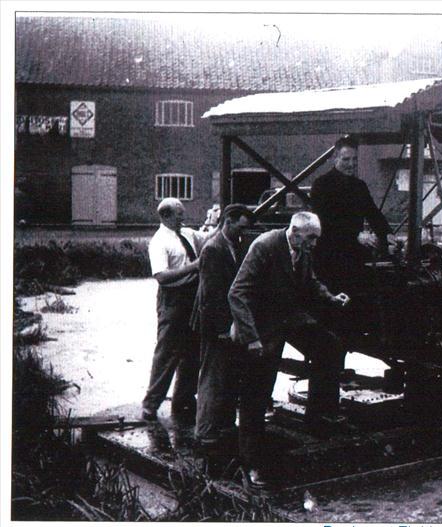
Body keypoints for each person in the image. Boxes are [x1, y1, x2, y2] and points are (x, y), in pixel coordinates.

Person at [228, 211, 350, 485]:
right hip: (262, 322)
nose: (314, 244)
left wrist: (331, 298)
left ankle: (318, 421)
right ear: (294, 232)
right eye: (311, 238)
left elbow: (310, 282)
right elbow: (237, 293)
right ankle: (250, 463)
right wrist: (251, 338)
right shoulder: (264, 246)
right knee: (257, 391)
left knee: (328, 346)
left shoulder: (302, 249)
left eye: (316, 239)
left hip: (289, 317)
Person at [141, 198, 214, 424]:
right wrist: (195, 266)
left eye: (182, 214)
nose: (183, 218)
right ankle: (150, 405)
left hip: (193, 297)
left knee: (193, 351)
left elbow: (209, 237)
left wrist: (220, 221)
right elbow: (161, 277)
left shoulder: (188, 234)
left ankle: (183, 400)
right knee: (167, 353)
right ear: (166, 216)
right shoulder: (159, 242)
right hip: (173, 299)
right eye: (179, 215)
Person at [191, 204, 254, 448]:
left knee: (225, 376)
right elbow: (210, 295)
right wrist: (221, 329)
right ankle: (205, 430)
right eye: (240, 226)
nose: (242, 232)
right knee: (211, 377)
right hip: (214, 324)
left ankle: (223, 425)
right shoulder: (213, 249)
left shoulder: (231, 244)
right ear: (227, 220)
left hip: (226, 323)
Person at [310, 136, 395, 291]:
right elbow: (323, 222)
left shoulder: (359, 186)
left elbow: (373, 214)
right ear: (335, 158)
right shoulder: (321, 185)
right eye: (346, 159)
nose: (351, 164)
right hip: (329, 258)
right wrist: (356, 234)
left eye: (354, 159)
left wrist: (388, 234)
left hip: (354, 256)